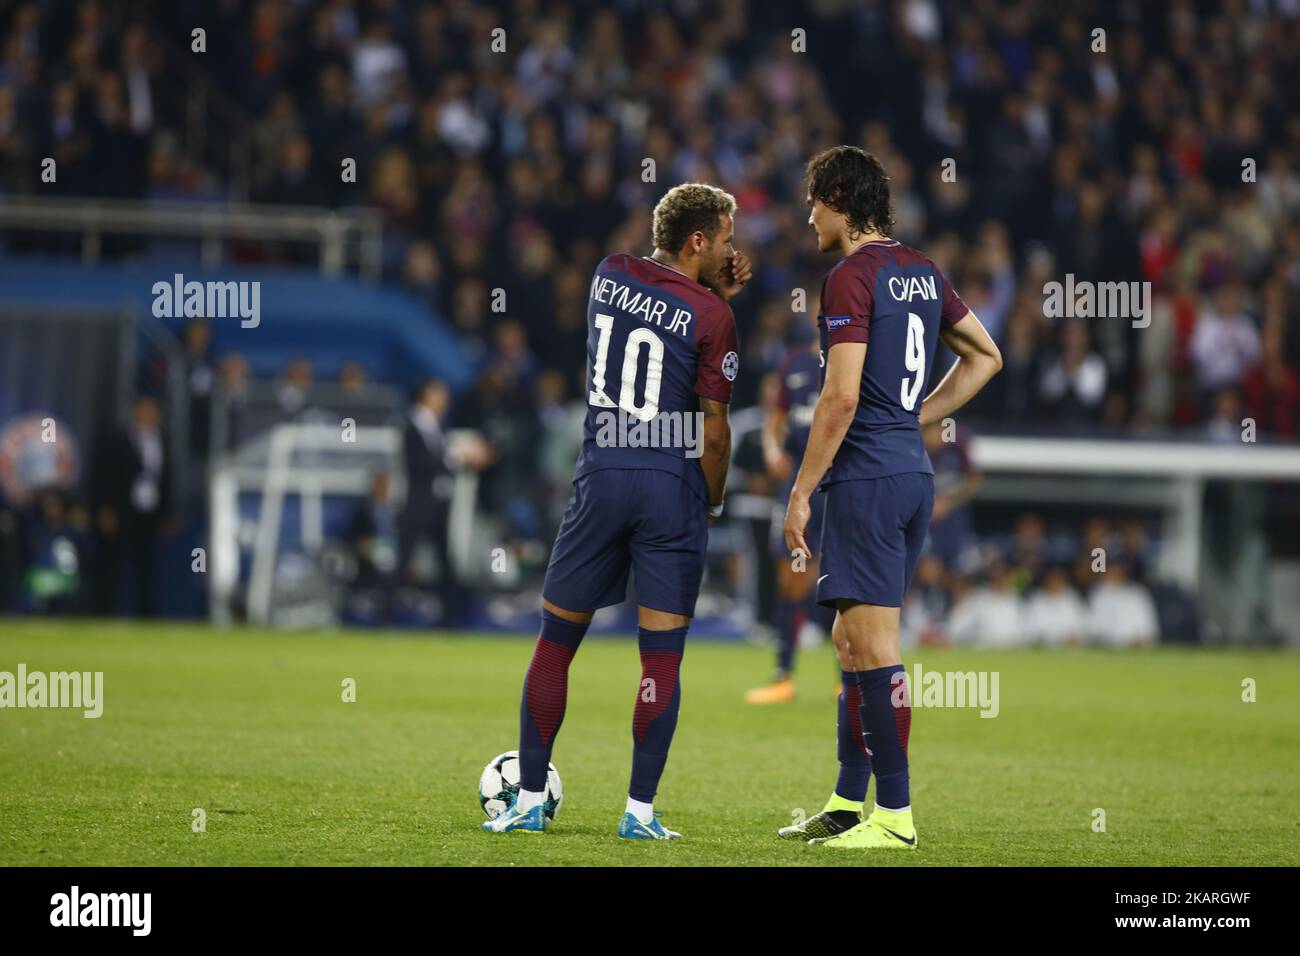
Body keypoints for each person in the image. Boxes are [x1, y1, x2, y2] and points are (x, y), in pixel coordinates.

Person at [483, 183, 750, 839]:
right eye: (724, 239)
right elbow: (713, 431)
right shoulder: (715, 317)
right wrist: (711, 499)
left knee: (554, 645)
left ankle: (525, 803)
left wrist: (712, 291)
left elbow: (657, 316)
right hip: (670, 482)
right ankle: (639, 814)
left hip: (602, 472)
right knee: (660, 661)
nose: (732, 250)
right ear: (698, 241)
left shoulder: (608, 272)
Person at [780, 146, 1001, 850]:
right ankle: (849, 804)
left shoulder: (849, 277)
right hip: (909, 474)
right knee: (851, 641)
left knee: (873, 649)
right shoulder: (925, 271)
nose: (808, 214)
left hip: (867, 478)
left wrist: (801, 490)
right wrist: (917, 417)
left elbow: (840, 396)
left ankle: (896, 818)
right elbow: (985, 356)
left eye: (814, 200)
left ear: (841, 198)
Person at [745, 315, 829, 704]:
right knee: (790, 577)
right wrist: (772, 449)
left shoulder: (852, 357)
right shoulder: (794, 361)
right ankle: (783, 674)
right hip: (797, 481)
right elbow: (774, 416)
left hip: (838, 476)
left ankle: (849, 679)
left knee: (842, 579)